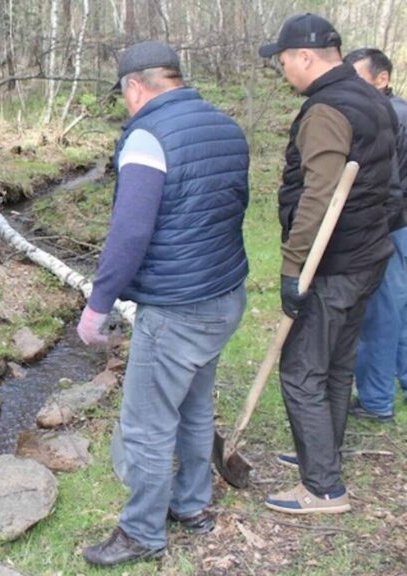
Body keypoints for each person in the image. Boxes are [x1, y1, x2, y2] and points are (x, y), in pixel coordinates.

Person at [77, 41, 249, 566]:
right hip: (225, 294)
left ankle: (141, 534)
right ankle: (192, 506)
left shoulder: (148, 137)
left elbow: (129, 233)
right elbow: (232, 207)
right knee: (194, 407)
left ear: (135, 86)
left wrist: (97, 304)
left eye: (124, 96)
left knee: (148, 424)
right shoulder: (223, 125)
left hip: (177, 309)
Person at [258, 14, 398, 514]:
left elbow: (318, 195)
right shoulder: (370, 97)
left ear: (305, 57)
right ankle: (321, 453)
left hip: (333, 263)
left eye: (283, 61)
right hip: (369, 254)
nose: (283, 71)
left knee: (301, 370)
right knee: (337, 364)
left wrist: (293, 270)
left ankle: (322, 488)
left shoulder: (326, 110)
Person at [344, 48, 407, 422]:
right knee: (400, 308)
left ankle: (375, 400)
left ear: (381, 79)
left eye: (357, 77)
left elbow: (388, 185)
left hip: (392, 227)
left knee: (381, 312)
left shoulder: (384, 117)